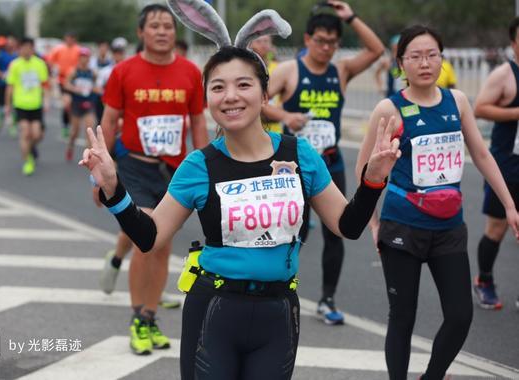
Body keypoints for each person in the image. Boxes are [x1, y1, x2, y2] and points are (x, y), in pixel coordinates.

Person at [80, 2, 400, 378]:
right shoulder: (199, 165)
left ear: (265, 95)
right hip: (213, 311)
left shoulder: (300, 155)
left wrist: (373, 180)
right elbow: (150, 237)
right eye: (218, 87)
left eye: (244, 84)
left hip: (278, 313)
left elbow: (347, 225)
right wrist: (115, 191)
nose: (231, 96)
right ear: (209, 99)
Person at [356, 25, 519, 380]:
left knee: (460, 316)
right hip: (402, 225)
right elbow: (363, 171)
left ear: (442, 60)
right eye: (415, 56)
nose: (425, 63)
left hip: (448, 227)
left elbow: (481, 154)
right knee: (402, 316)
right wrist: (372, 223)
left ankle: (432, 376)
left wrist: (509, 205)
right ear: (401, 63)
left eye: (432, 55)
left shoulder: (456, 101)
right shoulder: (389, 108)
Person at [264, 0, 385, 325]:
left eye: (333, 42)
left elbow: (377, 50)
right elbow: (259, 104)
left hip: (329, 165)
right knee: (289, 231)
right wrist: (286, 114)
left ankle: (327, 298)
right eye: (320, 40)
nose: (327, 47)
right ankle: (275, 288)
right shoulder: (289, 70)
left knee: (338, 232)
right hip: (291, 169)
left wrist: (351, 16)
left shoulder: (341, 70)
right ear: (307, 40)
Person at [98, 3, 209, 355]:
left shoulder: (191, 72)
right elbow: (110, 121)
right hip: (134, 166)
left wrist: (210, 164)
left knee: (162, 247)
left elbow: (199, 121)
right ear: (141, 32)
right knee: (144, 238)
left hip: (174, 170)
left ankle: (150, 315)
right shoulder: (123, 72)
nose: (163, 31)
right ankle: (137, 319)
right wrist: (101, 177)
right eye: (156, 26)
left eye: (168, 26)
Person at [472, 16, 519, 310]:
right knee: (498, 227)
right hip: (507, 164)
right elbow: (480, 108)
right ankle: (485, 280)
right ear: (514, 43)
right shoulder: (505, 74)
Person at [5, 37, 49, 176]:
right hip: (21, 105)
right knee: (25, 133)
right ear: (20, 49)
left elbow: (45, 85)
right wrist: (7, 105)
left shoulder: (40, 64)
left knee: (37, 134)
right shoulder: (15, 65)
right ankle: (28, 161)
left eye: (29, 47)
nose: (26, 50)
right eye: (23, 47)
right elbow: (10, 86)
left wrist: (46, 100)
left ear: (33, 48)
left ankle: (31, 147)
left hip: (36, 105)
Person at [64, 47, 96, 162]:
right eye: (82, 57)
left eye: (86, 57)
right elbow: (66, 84)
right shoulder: (74, 71)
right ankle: (70, 146)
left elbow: (95, 86)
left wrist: (95, 89)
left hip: (88, 103)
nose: (84, 59)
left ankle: (89, 157)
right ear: (79, 58)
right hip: (76, 104)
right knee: (75, 132)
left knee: (89, 129)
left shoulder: (92, 73)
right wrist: (75, 89)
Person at [46, 32, 80, 139]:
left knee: (73, 105)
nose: (69, 40)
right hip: (62, 80)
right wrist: (52, 72)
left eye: (71, 38)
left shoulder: (78, 50)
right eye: (67, 38)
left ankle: (72, 125)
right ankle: (65, 125)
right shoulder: (59, 49)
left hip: (75, 81)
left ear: (74, 39)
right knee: (66, 104)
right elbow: (49, 61)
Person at [249, 34, 283, 134]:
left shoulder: (279, 68)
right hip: (252, 127)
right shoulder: (246, 68)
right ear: (251, 44)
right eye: (259, 41)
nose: (263, 45)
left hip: (275, 128)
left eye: (266, 41)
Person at [0, 36, 18, 134]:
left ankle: (13, 125)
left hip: (15, 85)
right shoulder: (0, 55)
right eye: (9, 43)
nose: (10, 45)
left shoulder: (17, 56)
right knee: (4, 106)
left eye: (13, 43)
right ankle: (1, 118)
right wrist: (1, 75)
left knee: (15, 106)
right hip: (2, 84)